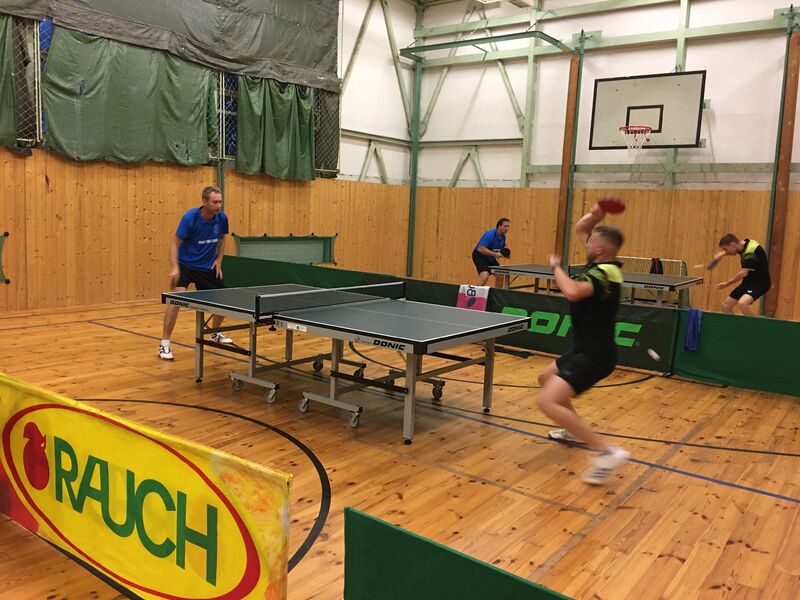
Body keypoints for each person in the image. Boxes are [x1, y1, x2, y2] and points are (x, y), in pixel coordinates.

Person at [536, 202, 629, 485]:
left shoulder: (604, 274)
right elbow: (581, 228)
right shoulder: (600, 263)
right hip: (585, 348)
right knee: (545, 378)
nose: (585, 244)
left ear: (599, 250)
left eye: (590, 243)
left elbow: (573, 291)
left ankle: (605, 452)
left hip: (595, 354)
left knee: (546, 401)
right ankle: (571, 429)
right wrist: (595, 215)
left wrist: (556, 268)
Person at [159, 186, 232, 360]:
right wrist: (175, 267)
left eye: (220, 202)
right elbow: (174, 243)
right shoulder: (190, 218)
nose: (219, 206)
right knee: (176, 301)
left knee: (223, 301)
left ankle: (215, 332)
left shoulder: (222, 218)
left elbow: (223, 238)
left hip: (207, 267)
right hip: (186, 265)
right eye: (215, 202)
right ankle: (164, 343)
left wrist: (219, 260)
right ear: (204, 202)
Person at [713, 234, 771, 316]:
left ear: (732, 245)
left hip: (760, 283)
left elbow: (743, 273)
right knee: (726, 306)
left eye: (725, 249)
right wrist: (722, 254)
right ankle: (735, 325)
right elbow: (736, 249)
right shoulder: (743, 244)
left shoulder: (750, 251)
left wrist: (727, 283)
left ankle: (755, 324)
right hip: (748, 282)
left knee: (743, 303)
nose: (726, 251)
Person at [472, 218, 510, 287]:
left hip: (490, 258)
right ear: (499, 226)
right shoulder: (490, 234)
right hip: (480, 256)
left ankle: (497, 293)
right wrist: (495, 254)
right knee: (484, 275)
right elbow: (480, 248)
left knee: (500, 275)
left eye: (508, 226)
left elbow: (503, 247)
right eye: (505, 226)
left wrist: (506, 254)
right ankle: (476, 293)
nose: (507, 228)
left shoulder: (503, 236)